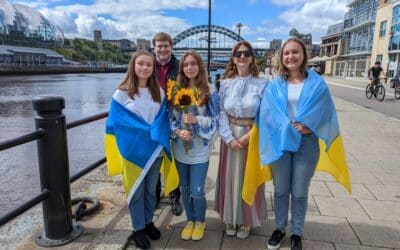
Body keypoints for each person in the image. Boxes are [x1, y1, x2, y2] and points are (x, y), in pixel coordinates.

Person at [252, 38, 351, 250]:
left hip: (307, 143)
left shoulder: (316, 83)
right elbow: (267, 113)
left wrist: (310, 126)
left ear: (303, 55)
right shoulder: (275, 84)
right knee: (280, 190)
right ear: (282, 57)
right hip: (281, 143)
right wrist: (283, 126)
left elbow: (326, 113)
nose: (291, 57)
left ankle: (297, 232)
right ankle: (279, 228)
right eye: (286, 53)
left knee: (299, 191)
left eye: (295, 52)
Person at [105, 50, 171, 249]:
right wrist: (144, 132)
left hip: (153, 151)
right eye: (140, 64)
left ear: (153, 68)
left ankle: (149, 221)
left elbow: (162, 119)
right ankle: (138, 228)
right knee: (135, 191)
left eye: (149, 65)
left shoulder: (157, 92)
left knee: (151, 190)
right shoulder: (122, 93)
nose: (144, 68)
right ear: (133, 66)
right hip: (133, 152)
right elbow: (115, 123)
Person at [215, 41, 267, 239]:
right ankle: (230, 217)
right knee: (230, 177)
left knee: (248, 176)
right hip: (229, 136)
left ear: (252, 57)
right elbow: (220, 112)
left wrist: (246, 137)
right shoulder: (225, 84)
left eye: (246, 53)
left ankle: (246, 219)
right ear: (233, 58)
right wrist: (229, 138)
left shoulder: (262, 84)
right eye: (238, 54)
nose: (242, 57)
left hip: (252, 135)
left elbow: (264, 116)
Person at [169, 50, 219, 241]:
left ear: (200, 66)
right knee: (185, 188)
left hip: (200, 149)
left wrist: (196, 120)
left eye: (193, 64)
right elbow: (170, 119)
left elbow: (214, 121)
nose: (189, 68)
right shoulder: (175, 90)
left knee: (197, 189)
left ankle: (200, 221)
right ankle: (189, 220)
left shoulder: (209, 91)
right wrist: (178, 131)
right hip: (181, 148)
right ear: (182, 68)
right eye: (186, 65)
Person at [152, 32, 182, 216]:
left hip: (174, 119)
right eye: (159, 46)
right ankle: (155, 196)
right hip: (152, 119)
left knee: (173, 159)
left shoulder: (179, 66)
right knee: (154, 159)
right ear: (154, 47)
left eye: (166, 46)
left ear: (171, 47)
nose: (162, 49)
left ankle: (174, 195)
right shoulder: (148, 65)